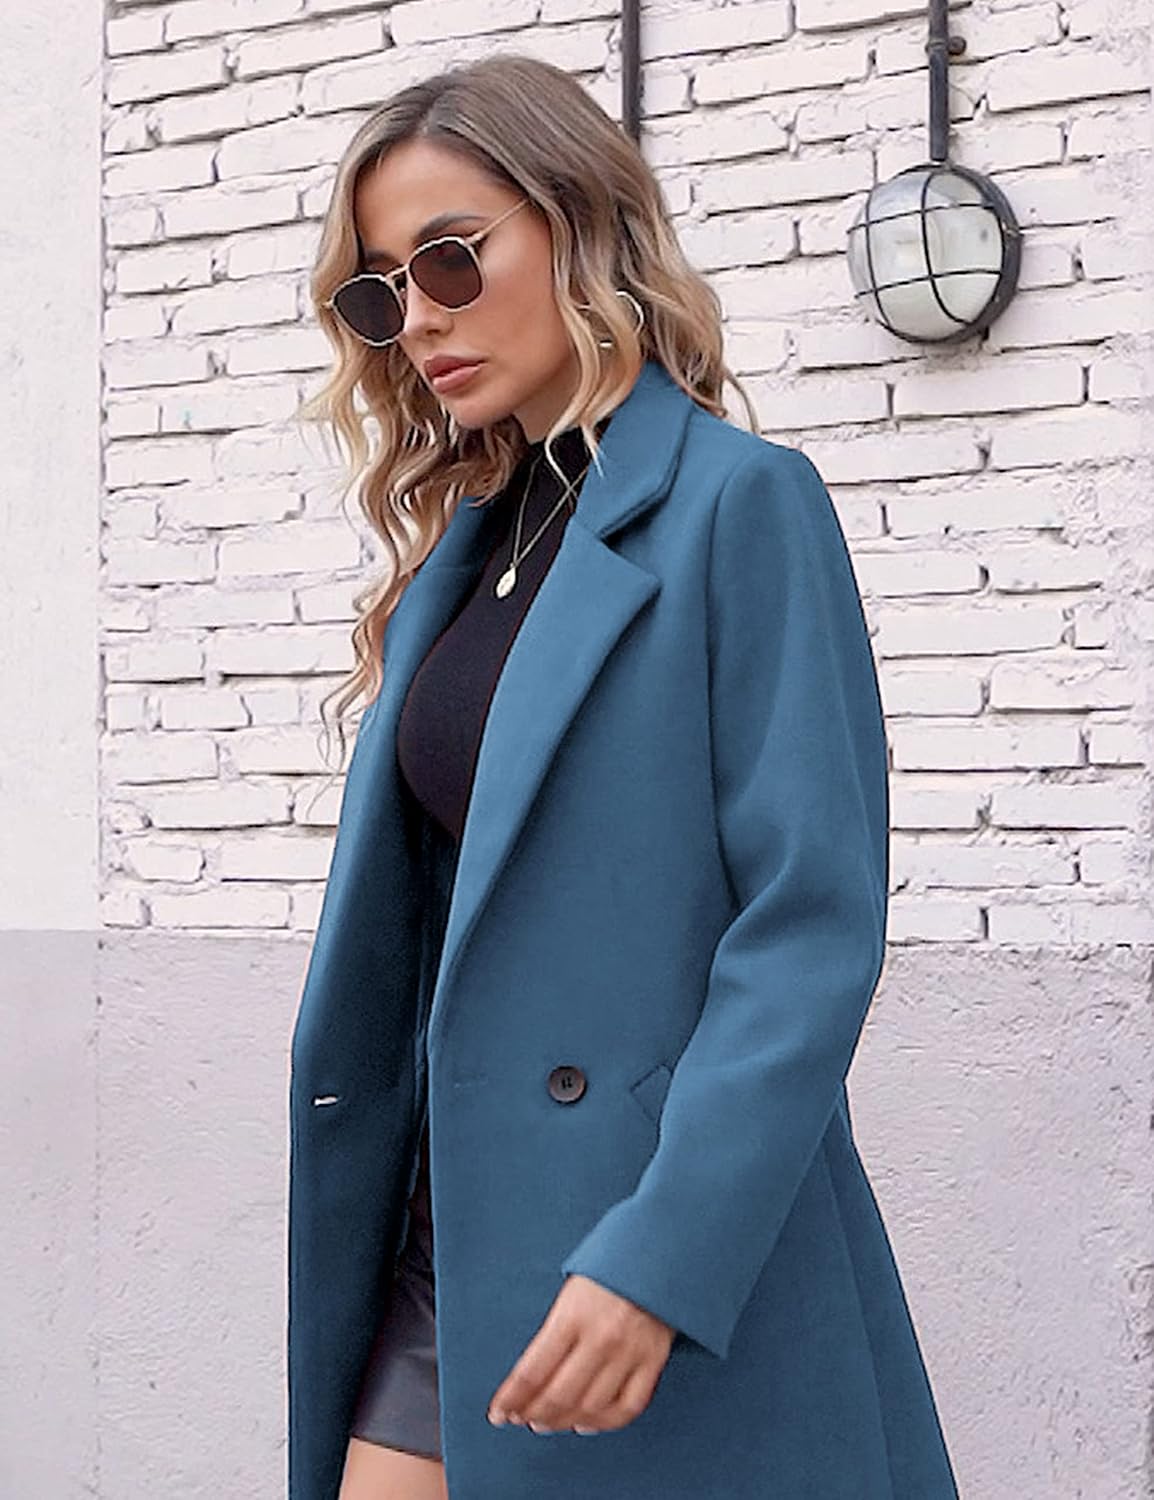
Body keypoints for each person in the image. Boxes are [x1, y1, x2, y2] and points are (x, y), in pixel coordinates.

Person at [287, 52, 960, 1500]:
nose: (418, 320)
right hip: (449, 1229)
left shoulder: (739, 506)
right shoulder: (466, 547)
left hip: (642, 1232)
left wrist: (664, 1254)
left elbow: (807, 927)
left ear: (577, 223)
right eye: (381, 294)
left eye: (450, 260)